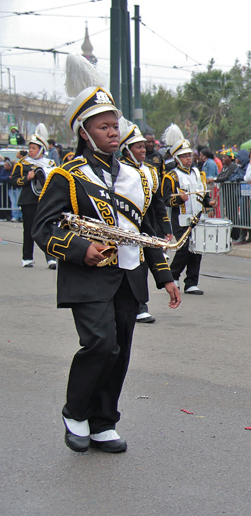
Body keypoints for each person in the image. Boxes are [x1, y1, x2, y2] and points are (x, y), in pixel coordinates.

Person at [33, 54, 180, 453]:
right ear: (84, 132)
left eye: (115, 125)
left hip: (129, 277)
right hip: (88, 277)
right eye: (104, 126)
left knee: (120, 351)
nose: (114, 132)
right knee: (100, 343)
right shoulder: (67, 176)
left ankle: (103, 421)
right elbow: (42, 228)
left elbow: (146, 232)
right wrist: (81, 248)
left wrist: (165, 277)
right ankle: (75, 412)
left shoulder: (139, 177)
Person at [118, 118, 170, 324]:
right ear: (126, 150)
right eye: (137, 147)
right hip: (125, 224)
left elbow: (158, 203)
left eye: (143, 146)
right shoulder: (117, 170)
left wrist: (165, 227)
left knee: (143, 264)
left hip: (147, 224)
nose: (142, 150)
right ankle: (134, 305)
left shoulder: (150, 171)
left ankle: (141, 305)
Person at [161, 125, 217, 295]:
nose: (188, 159)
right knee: (184, 248)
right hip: (181, 219)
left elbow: (202, 195)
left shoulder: (198, 173)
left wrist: (209, 202)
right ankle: (173, 275)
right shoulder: (171, 176)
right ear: (177, 158)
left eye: (189, 155)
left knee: (197, 249)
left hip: (198, 217)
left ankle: (192, 282)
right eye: (184, 156)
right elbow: (166, 199)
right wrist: (179, 199)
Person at [10, 123, 58, 268]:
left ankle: (51, 259)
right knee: (29, 229)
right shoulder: (22, 163)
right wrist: (27, 178)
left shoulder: (50, 163)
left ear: (41, 149)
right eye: (30, 148)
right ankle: (27, 258)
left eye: (33, 148)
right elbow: (13, 181)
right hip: (29, 201)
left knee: (48, 228)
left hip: (46, 201)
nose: (30, 150)